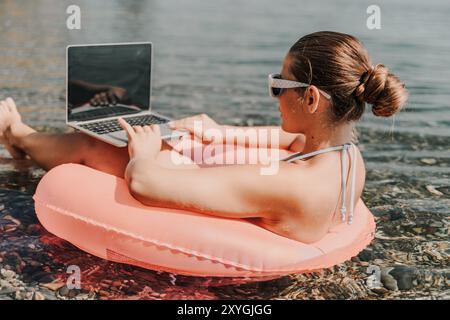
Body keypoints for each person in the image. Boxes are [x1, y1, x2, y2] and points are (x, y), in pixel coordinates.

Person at [0, 31, 408, 243]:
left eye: (278, 84)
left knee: (103, 146)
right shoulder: (346, 156)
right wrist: (220, 132)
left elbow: (144, 183)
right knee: (171, 142)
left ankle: (17, 134)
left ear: (312, 97)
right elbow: (293, 144)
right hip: (277, 203)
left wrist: (142, 152)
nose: (275, 96)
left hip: (232, 218)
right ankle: (24, 141)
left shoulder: (290, 184)